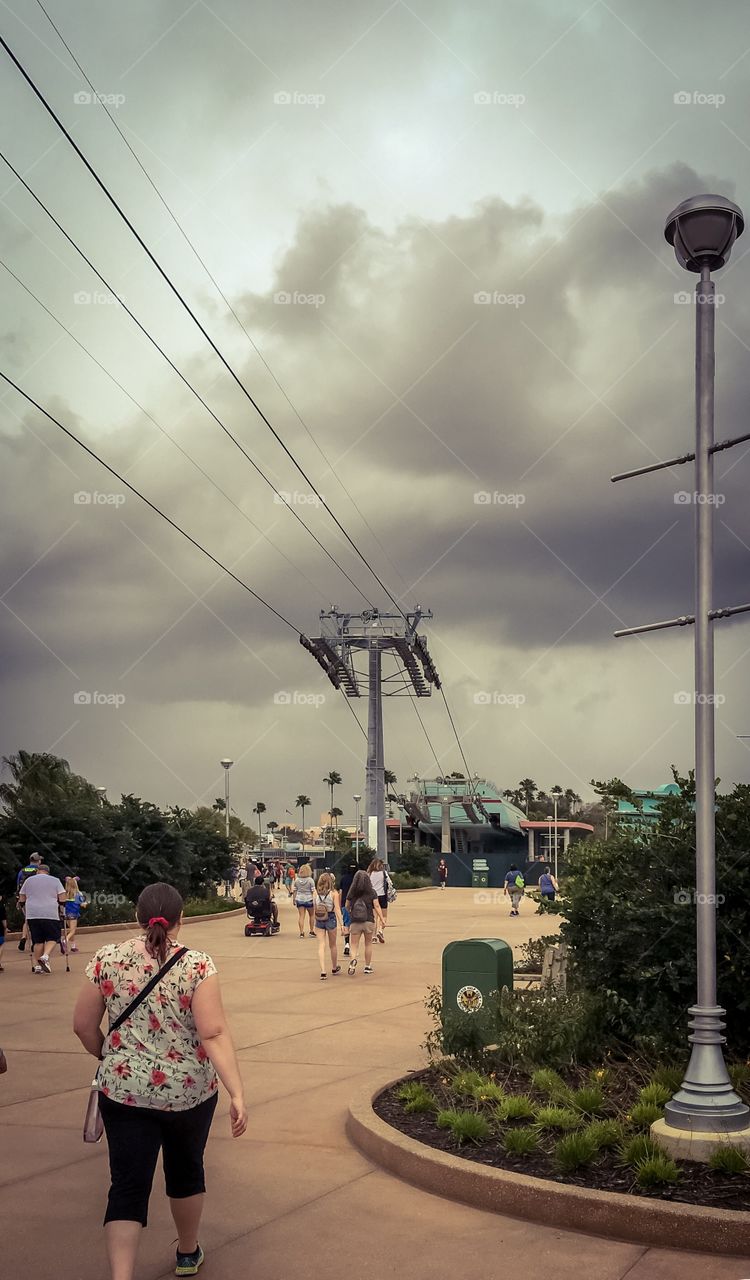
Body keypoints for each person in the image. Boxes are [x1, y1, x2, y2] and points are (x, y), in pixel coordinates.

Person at [72, 881, 247, 1280]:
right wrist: (237, 1093)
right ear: (180, 920)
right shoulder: (198, 965)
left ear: (138, 916)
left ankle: (121, 1276)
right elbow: (214, 1033)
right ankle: (187, 1254)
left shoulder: (107, 958)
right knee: (186, 1172)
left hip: (123, 1092)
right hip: (189, 1093)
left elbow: (83, 1026)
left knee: (127, 1185)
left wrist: (109, 1056)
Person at [18, 863, 65, 973]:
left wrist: (23, 905)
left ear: (38, 871)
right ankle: (45, 956)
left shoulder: (29, 880)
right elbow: (62, 896)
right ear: (48, 872)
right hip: (50, 913)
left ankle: (37, 965)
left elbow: (22, 896)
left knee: (38, 941)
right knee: (53, 937)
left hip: (33, 914)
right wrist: (62, 906)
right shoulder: (55, 880)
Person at [346, 870, 385, 976]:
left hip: (355, 921)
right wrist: (382, 918)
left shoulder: (352, 892)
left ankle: (353, 961)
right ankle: (367, 966)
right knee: (368, 944)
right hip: (368, 920)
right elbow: (376, 906)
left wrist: (348, 915)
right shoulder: (372, 892)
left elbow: (347, 906)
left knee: (354, 944)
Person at [313, 872, 343, 980]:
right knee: (332, 945)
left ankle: (323, 970)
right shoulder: (334, 894)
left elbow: (314, 907)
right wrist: (342, 924)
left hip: (319, 918)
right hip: (330, 917)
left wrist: (312, 924)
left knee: (321, 945)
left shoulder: (315, 893)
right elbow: (337, 909)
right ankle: (334, 967)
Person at [16, 851, 42, 951]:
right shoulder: (39, 871)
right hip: (37, 898)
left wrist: (18, 899)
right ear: (38, 861)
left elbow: (18, 885)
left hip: (25, 899)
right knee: (37, 920)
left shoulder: (22, 871)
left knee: (27, 919)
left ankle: (23, 937)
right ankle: (34, 942)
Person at [367, 858, 391, 943]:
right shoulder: (383, 873)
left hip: (372, 896)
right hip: (382, 895)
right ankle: (380, 930)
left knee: (374, 917)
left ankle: (373, 936)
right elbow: (389, 883)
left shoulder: (369, 874)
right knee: (383, 915)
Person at [338, 861, 357, 956]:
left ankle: (347, 944)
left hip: (345, 904)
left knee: (346, 924)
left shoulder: (343, 879)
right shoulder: (357, 879)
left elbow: (340, 893)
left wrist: (339, 904)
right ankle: (354, 946)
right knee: (356, 925)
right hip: (356, 905)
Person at [292, 863, 316, 938]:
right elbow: (313, 891)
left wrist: (294, 899)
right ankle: (311, 931)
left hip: (299, 899)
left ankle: (301, 932)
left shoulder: (297, 880)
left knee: (301, 916)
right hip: (309, 899)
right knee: (312, 915)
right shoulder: (310, 880)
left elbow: (295, 890)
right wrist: (315, 900)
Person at [64, 876, 86, 951]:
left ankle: (73, 946)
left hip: (66, 914)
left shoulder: (65, 894)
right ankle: (65, 941)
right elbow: (82, 904)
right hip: (74, 914)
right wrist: (85, 903)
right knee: (72, 931)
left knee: (70, 930)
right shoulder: (78, 894)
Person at [0, 892, 6, 972]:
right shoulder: (1, 908)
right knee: (1, 945)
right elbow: (4, 921)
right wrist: (5, 928)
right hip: (0, 929)